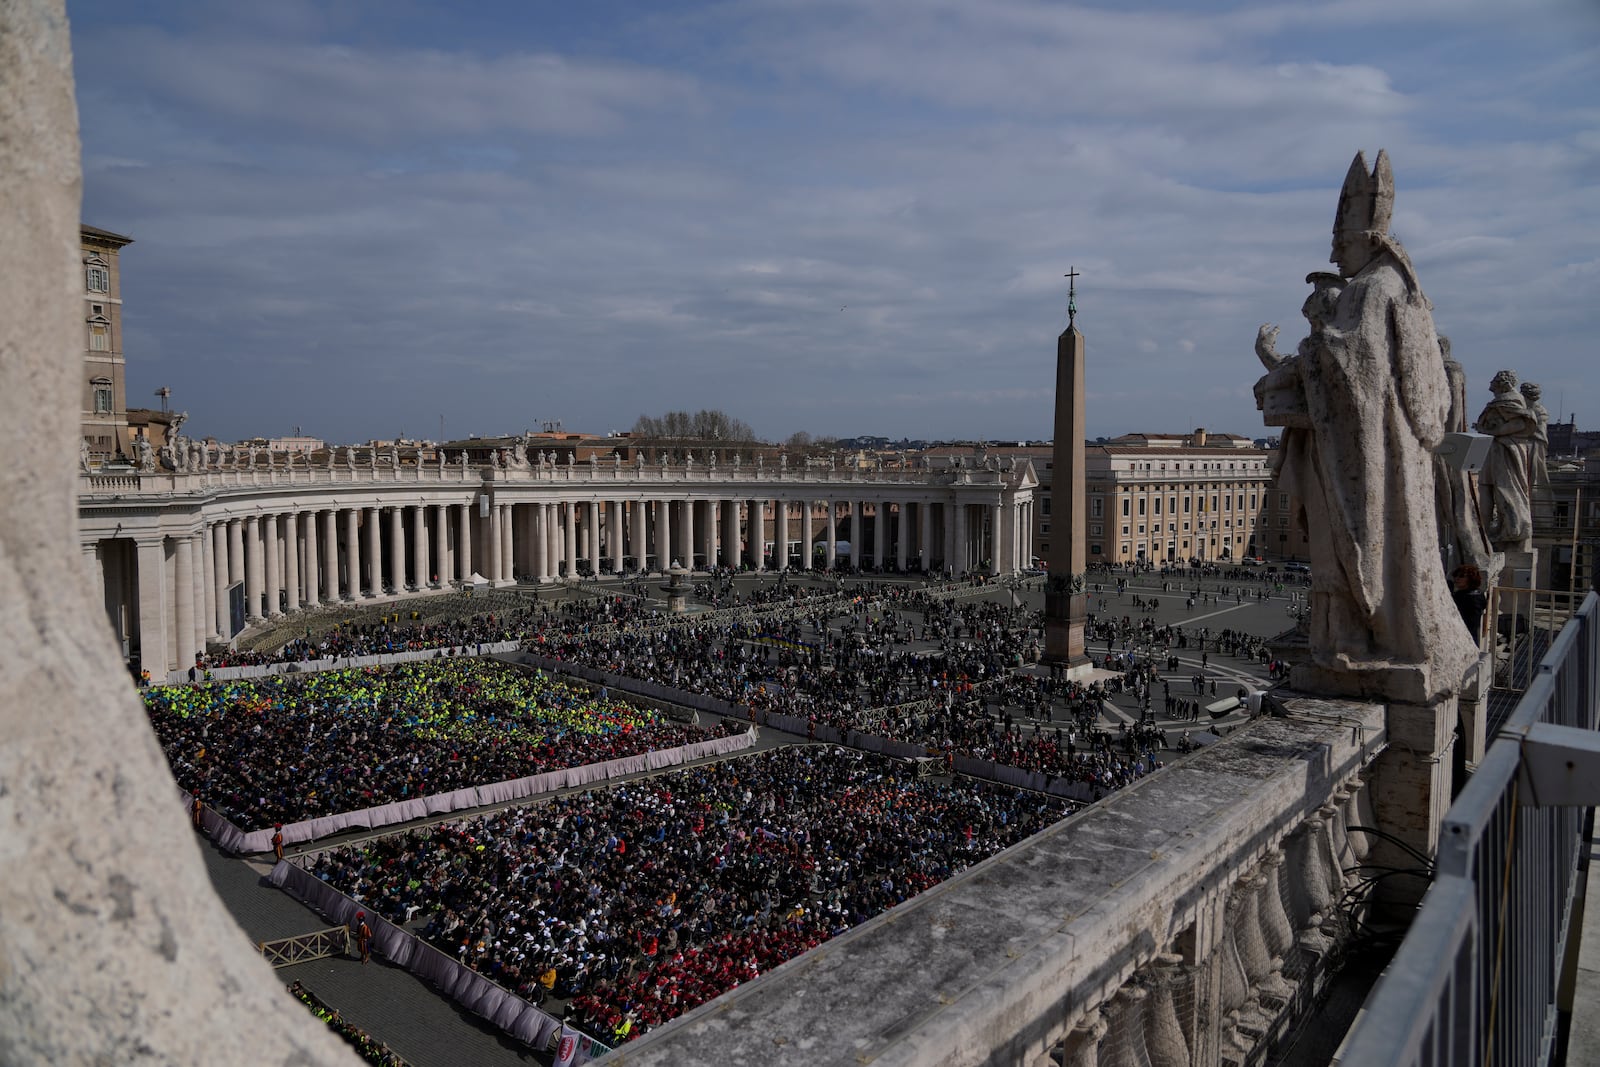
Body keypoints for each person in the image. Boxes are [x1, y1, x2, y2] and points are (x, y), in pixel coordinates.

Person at [1253, 150, 1476, 697]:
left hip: (1362, 461)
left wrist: (1298, 353)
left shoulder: (1375, 290)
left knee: (1342, 548)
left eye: (1341, 241)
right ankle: (1354, 640)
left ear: (1369, 239)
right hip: (1383, 455)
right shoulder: (1400, 291)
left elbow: (1355, 371)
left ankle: (1347, 644)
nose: (1334, 249)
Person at [1451, 565, 1488, 648]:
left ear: (1470, 579)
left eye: (1461, 576)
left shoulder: (1464, 596)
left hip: (1464, 634)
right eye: (1456, 576)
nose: (1457, 579)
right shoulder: (1478, 593)